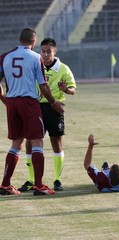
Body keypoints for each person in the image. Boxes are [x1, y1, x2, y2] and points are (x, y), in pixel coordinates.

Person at [0, 28, 64, 196]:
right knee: (37, 142)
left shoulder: (5, 57)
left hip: (12, 101)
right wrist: (53, 102)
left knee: (16, 143)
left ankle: (5, 184)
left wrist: (5, 100)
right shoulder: (36, 58)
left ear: (19, 39)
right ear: (34, 42)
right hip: (28, 102)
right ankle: (39, 185)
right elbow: (43, 85)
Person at [18, 38, 76, 192]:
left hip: (54, 108)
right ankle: (31, 180)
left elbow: (73, 90)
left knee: (56, 142)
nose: (45, 54)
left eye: (48, 51)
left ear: (54, 52)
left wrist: (65, 89)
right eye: (43, 51)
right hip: (35, 107)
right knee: (31, 142)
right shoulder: (35, 65)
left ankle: (57, 179)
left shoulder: (63, 69)